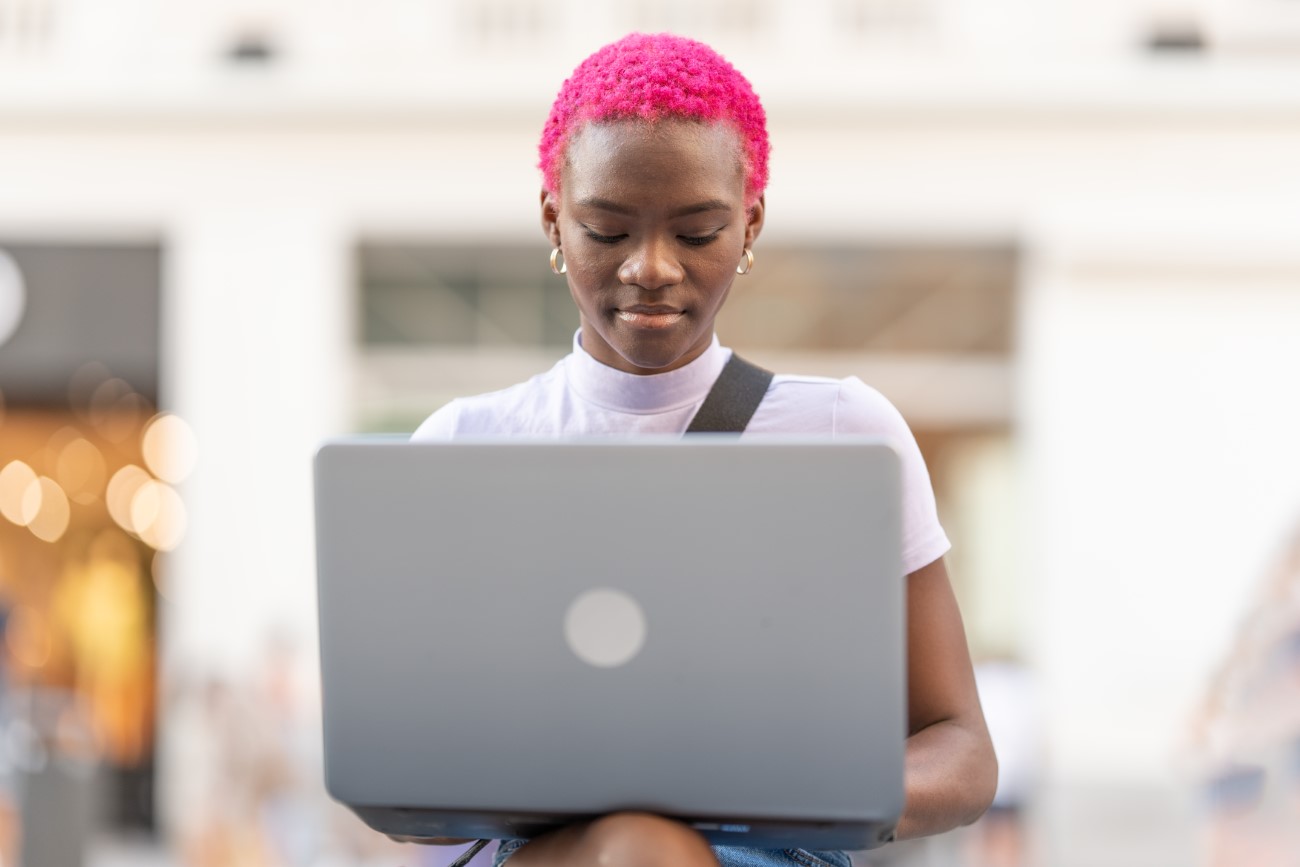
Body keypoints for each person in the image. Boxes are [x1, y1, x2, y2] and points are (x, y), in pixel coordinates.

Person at [408, 32, 997, 867]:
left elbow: (963, 750)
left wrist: (807, 787)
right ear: (553, 218)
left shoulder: (846, 434)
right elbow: (410, 796)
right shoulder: (463, 446)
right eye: (607, 230)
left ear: (749, 223)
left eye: (696, 232)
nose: (651, 268)